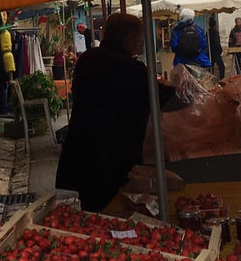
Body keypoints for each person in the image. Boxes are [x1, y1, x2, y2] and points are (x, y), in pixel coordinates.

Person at [55, 13, 175, 211]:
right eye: (139, 43)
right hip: (110, 165)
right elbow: (161, 98)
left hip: (77, 155)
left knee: (84, 220)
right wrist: (177, 85)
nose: (139, 49)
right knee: (108, 219)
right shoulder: (131, 68)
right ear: (128, 38)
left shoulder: (86, 60)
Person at [207, 14, 225, 79]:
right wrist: (220, 50)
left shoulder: (207, 33)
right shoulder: (215, 33)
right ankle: (222, 79)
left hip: (210, 52)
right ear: (215, 24)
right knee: (221, 67)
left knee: (211, 68)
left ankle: (211, 79)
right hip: (216, 52)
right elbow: (217, 42)